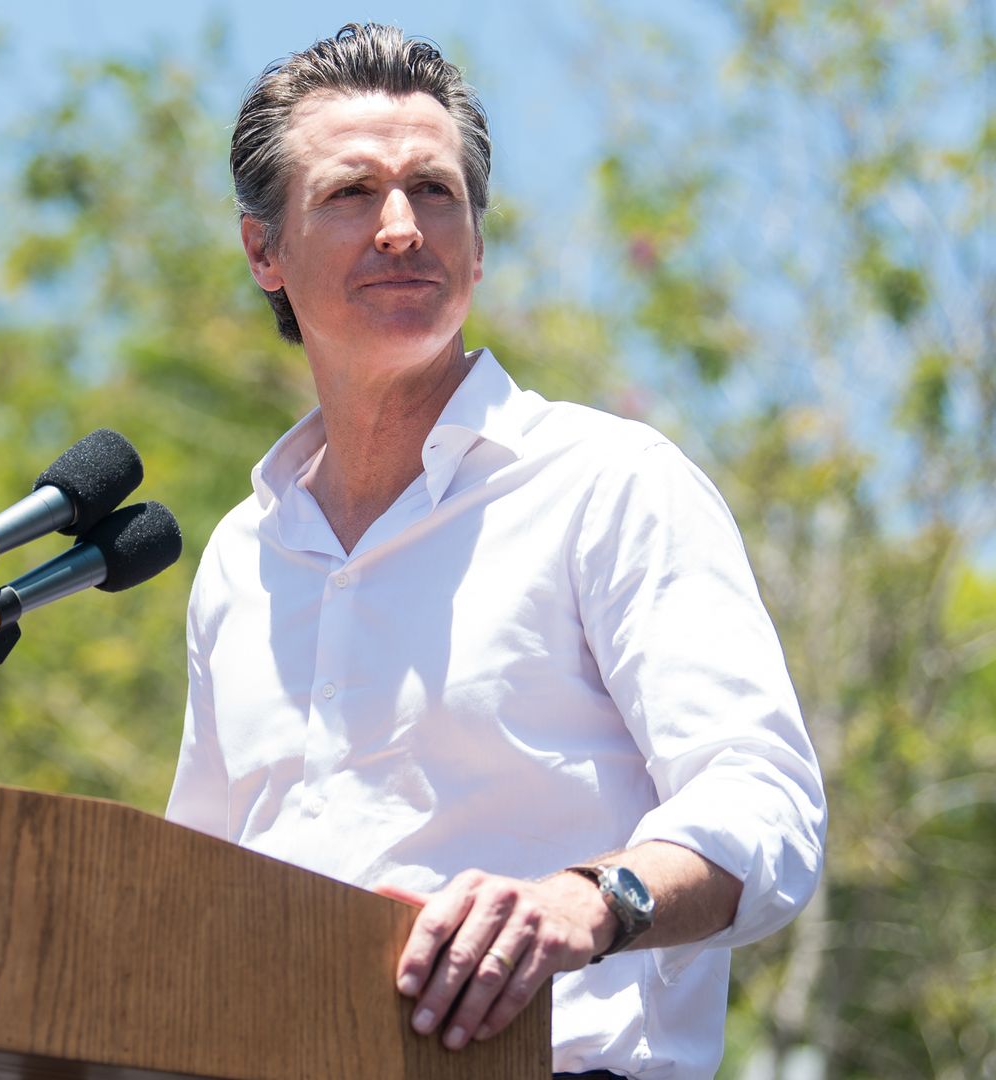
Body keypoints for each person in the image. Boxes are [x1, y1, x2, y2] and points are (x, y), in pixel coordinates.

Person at [164, 24, 825, 1080]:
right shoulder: (243, 558)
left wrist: (588, 900)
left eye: (434, 191)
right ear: (262, 251)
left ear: (478, 241)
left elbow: (768, 806)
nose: (400, 227)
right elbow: (194, 900)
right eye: (350, 193)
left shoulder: (608, 482)